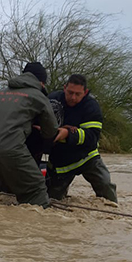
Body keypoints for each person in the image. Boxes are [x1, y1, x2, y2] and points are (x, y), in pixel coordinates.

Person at [0, 62, 67, 208]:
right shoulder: (38, 96)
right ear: (41, 82)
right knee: (36, 188)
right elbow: (50, 131)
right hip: (11, 150)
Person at [46, 74, 118, 204]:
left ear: (85, 93)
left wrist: (68, 134)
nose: (73, 97)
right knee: (52, 201)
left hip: (88, 158)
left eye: (77, 94)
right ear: (64, 88)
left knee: (107, 192)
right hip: (61, 163)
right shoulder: (52, 99)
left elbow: (92, 137)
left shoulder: (91, 107)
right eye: (70, 92)